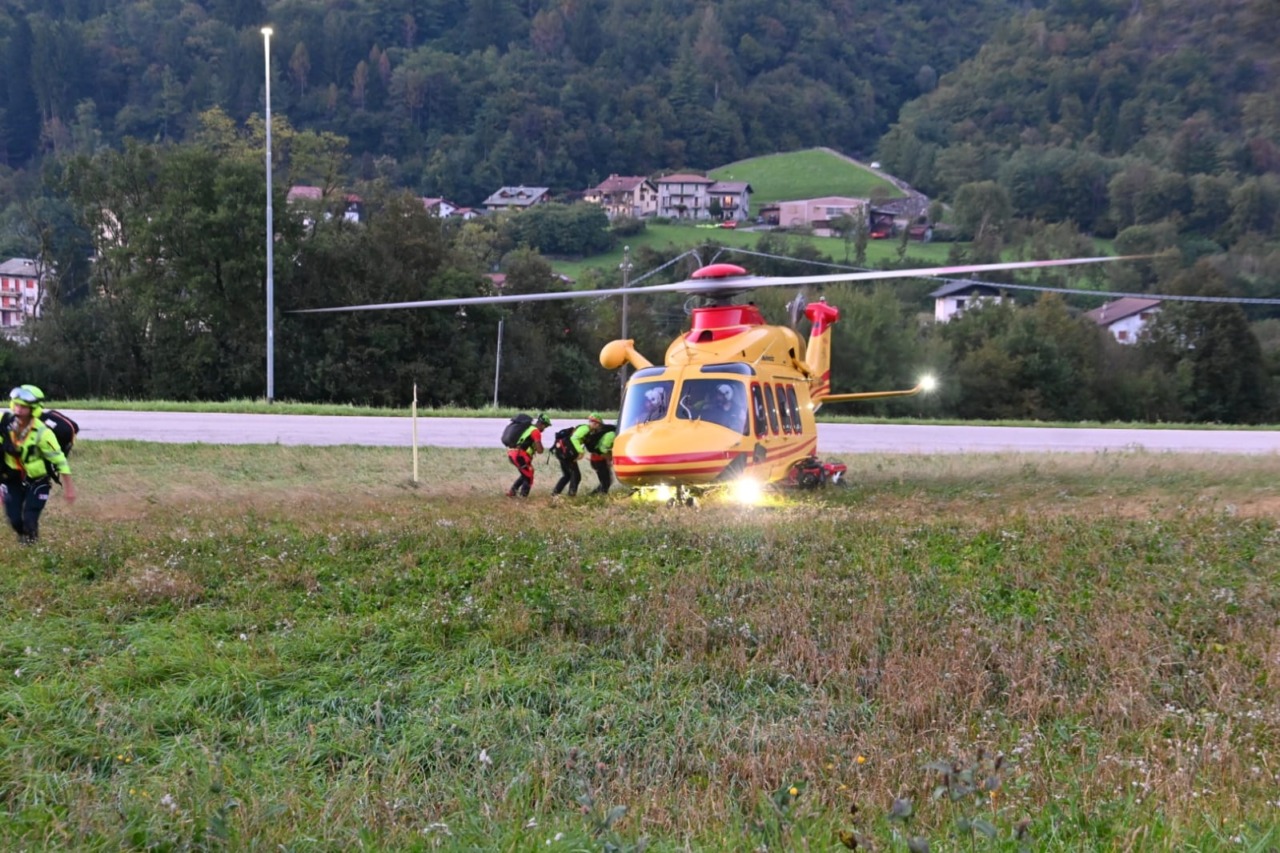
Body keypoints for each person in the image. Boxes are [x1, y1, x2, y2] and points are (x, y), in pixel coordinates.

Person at [2, 385, 76, 543]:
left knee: (30, 518)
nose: (18, 409)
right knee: (15, 519)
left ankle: (30, 546)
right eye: (16, 404)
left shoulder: (44, 433)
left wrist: (69, 488)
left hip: (38, 480)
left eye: (23, 407)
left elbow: (60, 461)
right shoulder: (4, 425)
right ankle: (25, 538)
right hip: (12, 479)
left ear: (33, 409)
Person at [551, 415, 596, 497]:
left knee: (567, 475)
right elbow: (574, 438)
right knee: (576, 475)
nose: (596, 425)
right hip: (567, 454)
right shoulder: (586, 429)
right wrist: (581, 452)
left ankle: (555, 494)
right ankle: (571, 496)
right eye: (594, 423)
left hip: (562, 452)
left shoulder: (586, 430)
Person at [507, 413, 550, 498]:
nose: (545, 429)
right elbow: (539, 450)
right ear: (541, 424)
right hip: (519, 455)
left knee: (526, 473)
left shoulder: (528, 429)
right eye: (545, 426)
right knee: (529, 475)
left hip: (512, 453)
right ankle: (523, 498)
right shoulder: (535, 431)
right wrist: (541, 448)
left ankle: (512, 492)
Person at [583, 414, 617, 495]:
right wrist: (609, 459)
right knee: (606, 483)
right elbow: (603, 450)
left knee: (606, 481)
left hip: (597, 459)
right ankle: (597, 497)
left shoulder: (600, 432)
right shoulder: (611, 434)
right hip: (599, 460)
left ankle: (594, 495)